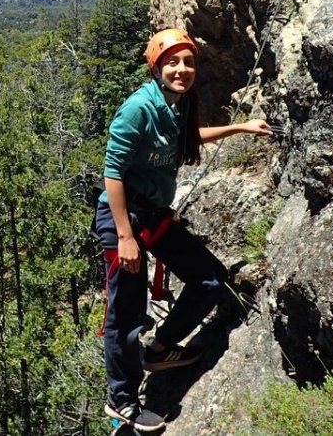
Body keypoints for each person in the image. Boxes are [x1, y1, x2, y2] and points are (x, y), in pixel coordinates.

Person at [95, 28, 272, 431]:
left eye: (188, 62)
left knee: (209, 280)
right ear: (156, 66)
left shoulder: (177, 104)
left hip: (154, 215)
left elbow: (187, 140)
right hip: (124, 220)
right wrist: (125, 237)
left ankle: (159, 350)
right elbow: (112, 173)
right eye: (172, 61)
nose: (182, 69)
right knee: (126, 317)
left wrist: (240, 128)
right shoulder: (139, 108)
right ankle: (121, 400)